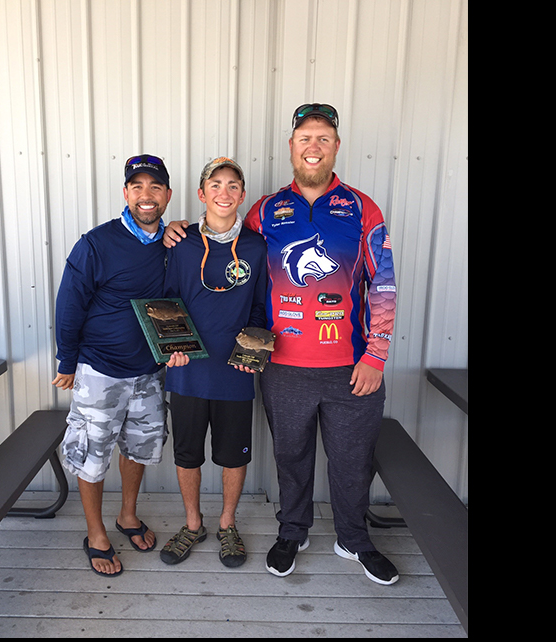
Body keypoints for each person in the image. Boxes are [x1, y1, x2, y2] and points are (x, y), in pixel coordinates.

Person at [163, 104, 399, 585]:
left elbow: (384, 285)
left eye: (324, 138)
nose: (314, 146)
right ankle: (293, 531)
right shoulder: (266, 210)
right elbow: (224, 236)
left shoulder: (363, 207)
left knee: (353, 458)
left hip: (351, 366)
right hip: (282, 364)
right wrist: (179, 230)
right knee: (291, 456)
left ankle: (354, 539)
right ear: (291, 147)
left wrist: (376, 354)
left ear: (335, 147)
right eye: (305, 138)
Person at [52, 154, 189, 577]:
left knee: (140, 449)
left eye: (155, 188)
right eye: (137, 187)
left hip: (149, 372)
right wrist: (68, 359)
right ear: (125, 193)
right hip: (100, 371)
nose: (146, 196)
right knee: (92, 455)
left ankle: (127, 516)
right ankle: (95, 533)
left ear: (167, 195)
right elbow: (69, 304)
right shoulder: (96, 243)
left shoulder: (176, 243)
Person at [159, 157, 267, 568]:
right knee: (187, 454)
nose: (225, 192)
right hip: (187, 369)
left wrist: (252, 353)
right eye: (215, 185)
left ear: (242, 194)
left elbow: (261, 308)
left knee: (233, 455)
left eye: (233, 185)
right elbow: (166, 301)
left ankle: (226, 525)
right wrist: (173, 347)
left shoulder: (256, 246)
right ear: (202, 194)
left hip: (235, 372)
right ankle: (192, 524)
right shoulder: (181, 242)